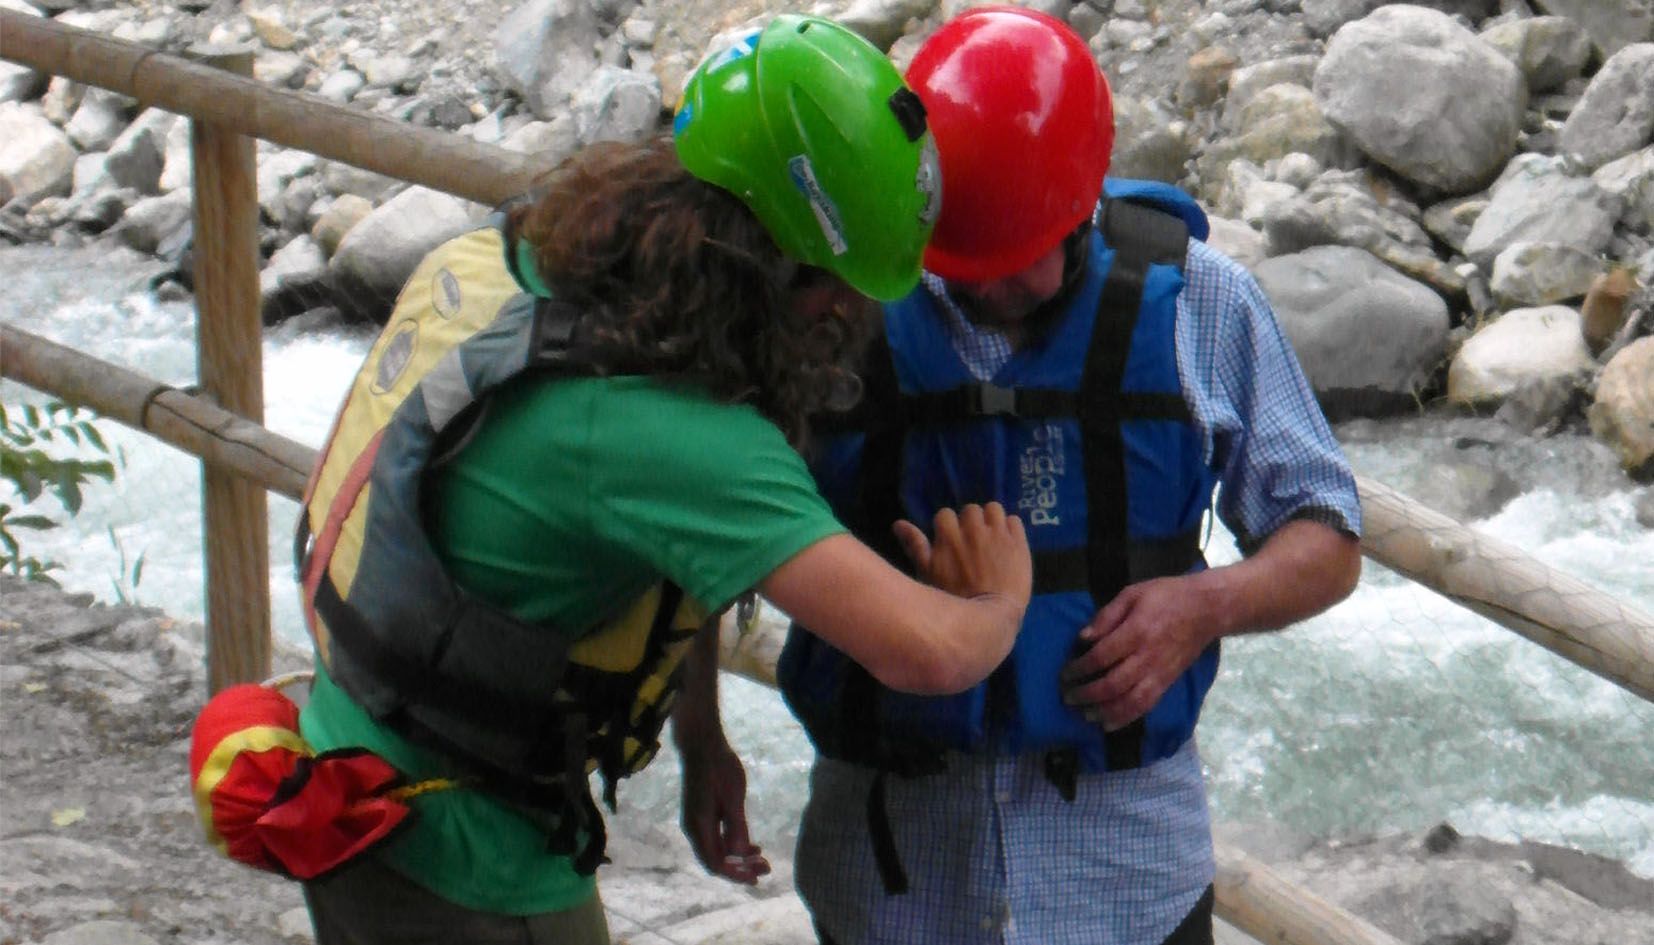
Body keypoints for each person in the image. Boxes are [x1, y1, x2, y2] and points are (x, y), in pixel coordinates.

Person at [288, 15, 1032, 945]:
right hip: (463, 855)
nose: (846, 314)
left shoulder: (504, 262)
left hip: (349, 760)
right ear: (769, 262)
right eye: (838, 287)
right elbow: (923, 650)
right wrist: (1001, 597)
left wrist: (699, 733)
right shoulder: (674, 437)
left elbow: (649, 531)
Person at [775, 8, 1364, 945]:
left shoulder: (1203, 299)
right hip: (891, 877)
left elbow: (1327, 536)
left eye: (1033, 252)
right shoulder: (835, 305)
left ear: (1084, 199)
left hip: (1128, 874)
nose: (1014, 282)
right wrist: (699, 735)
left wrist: (1203, 606)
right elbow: (708, 515)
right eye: (980, 263)